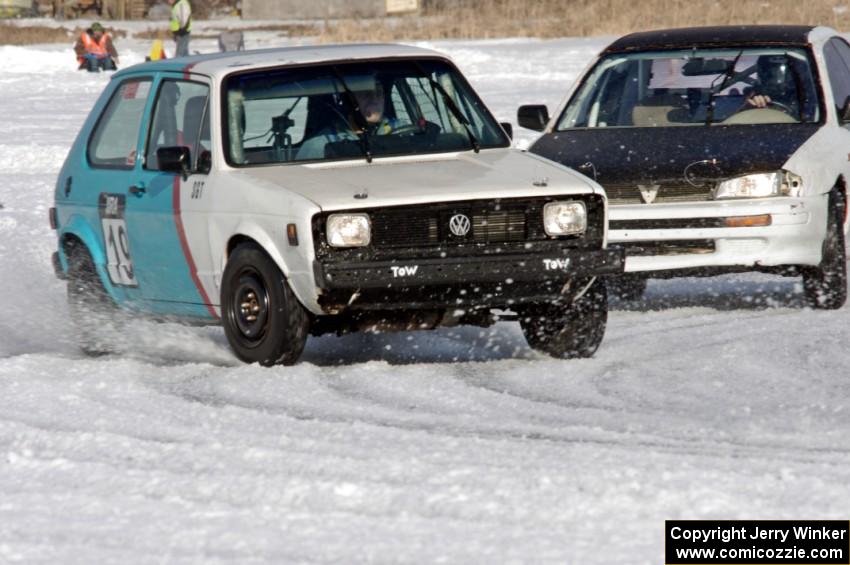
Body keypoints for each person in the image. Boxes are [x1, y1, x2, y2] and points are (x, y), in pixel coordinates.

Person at [297, 76, 399, 160]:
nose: (374, 98)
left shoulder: (404, 133)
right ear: (348, 101)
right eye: (365, 93)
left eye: (379, 92)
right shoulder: (318, 145)